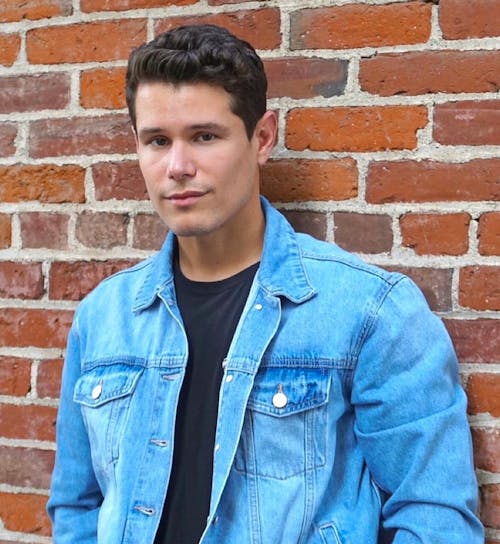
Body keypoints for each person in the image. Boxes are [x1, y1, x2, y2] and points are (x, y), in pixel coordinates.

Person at [47, 24, 484, 544]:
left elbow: (436, 520)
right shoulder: (103, 318)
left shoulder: (369, 312)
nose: (178, 167)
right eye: (158, 141)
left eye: (204, 136)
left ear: (262, 138)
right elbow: (77, 508)